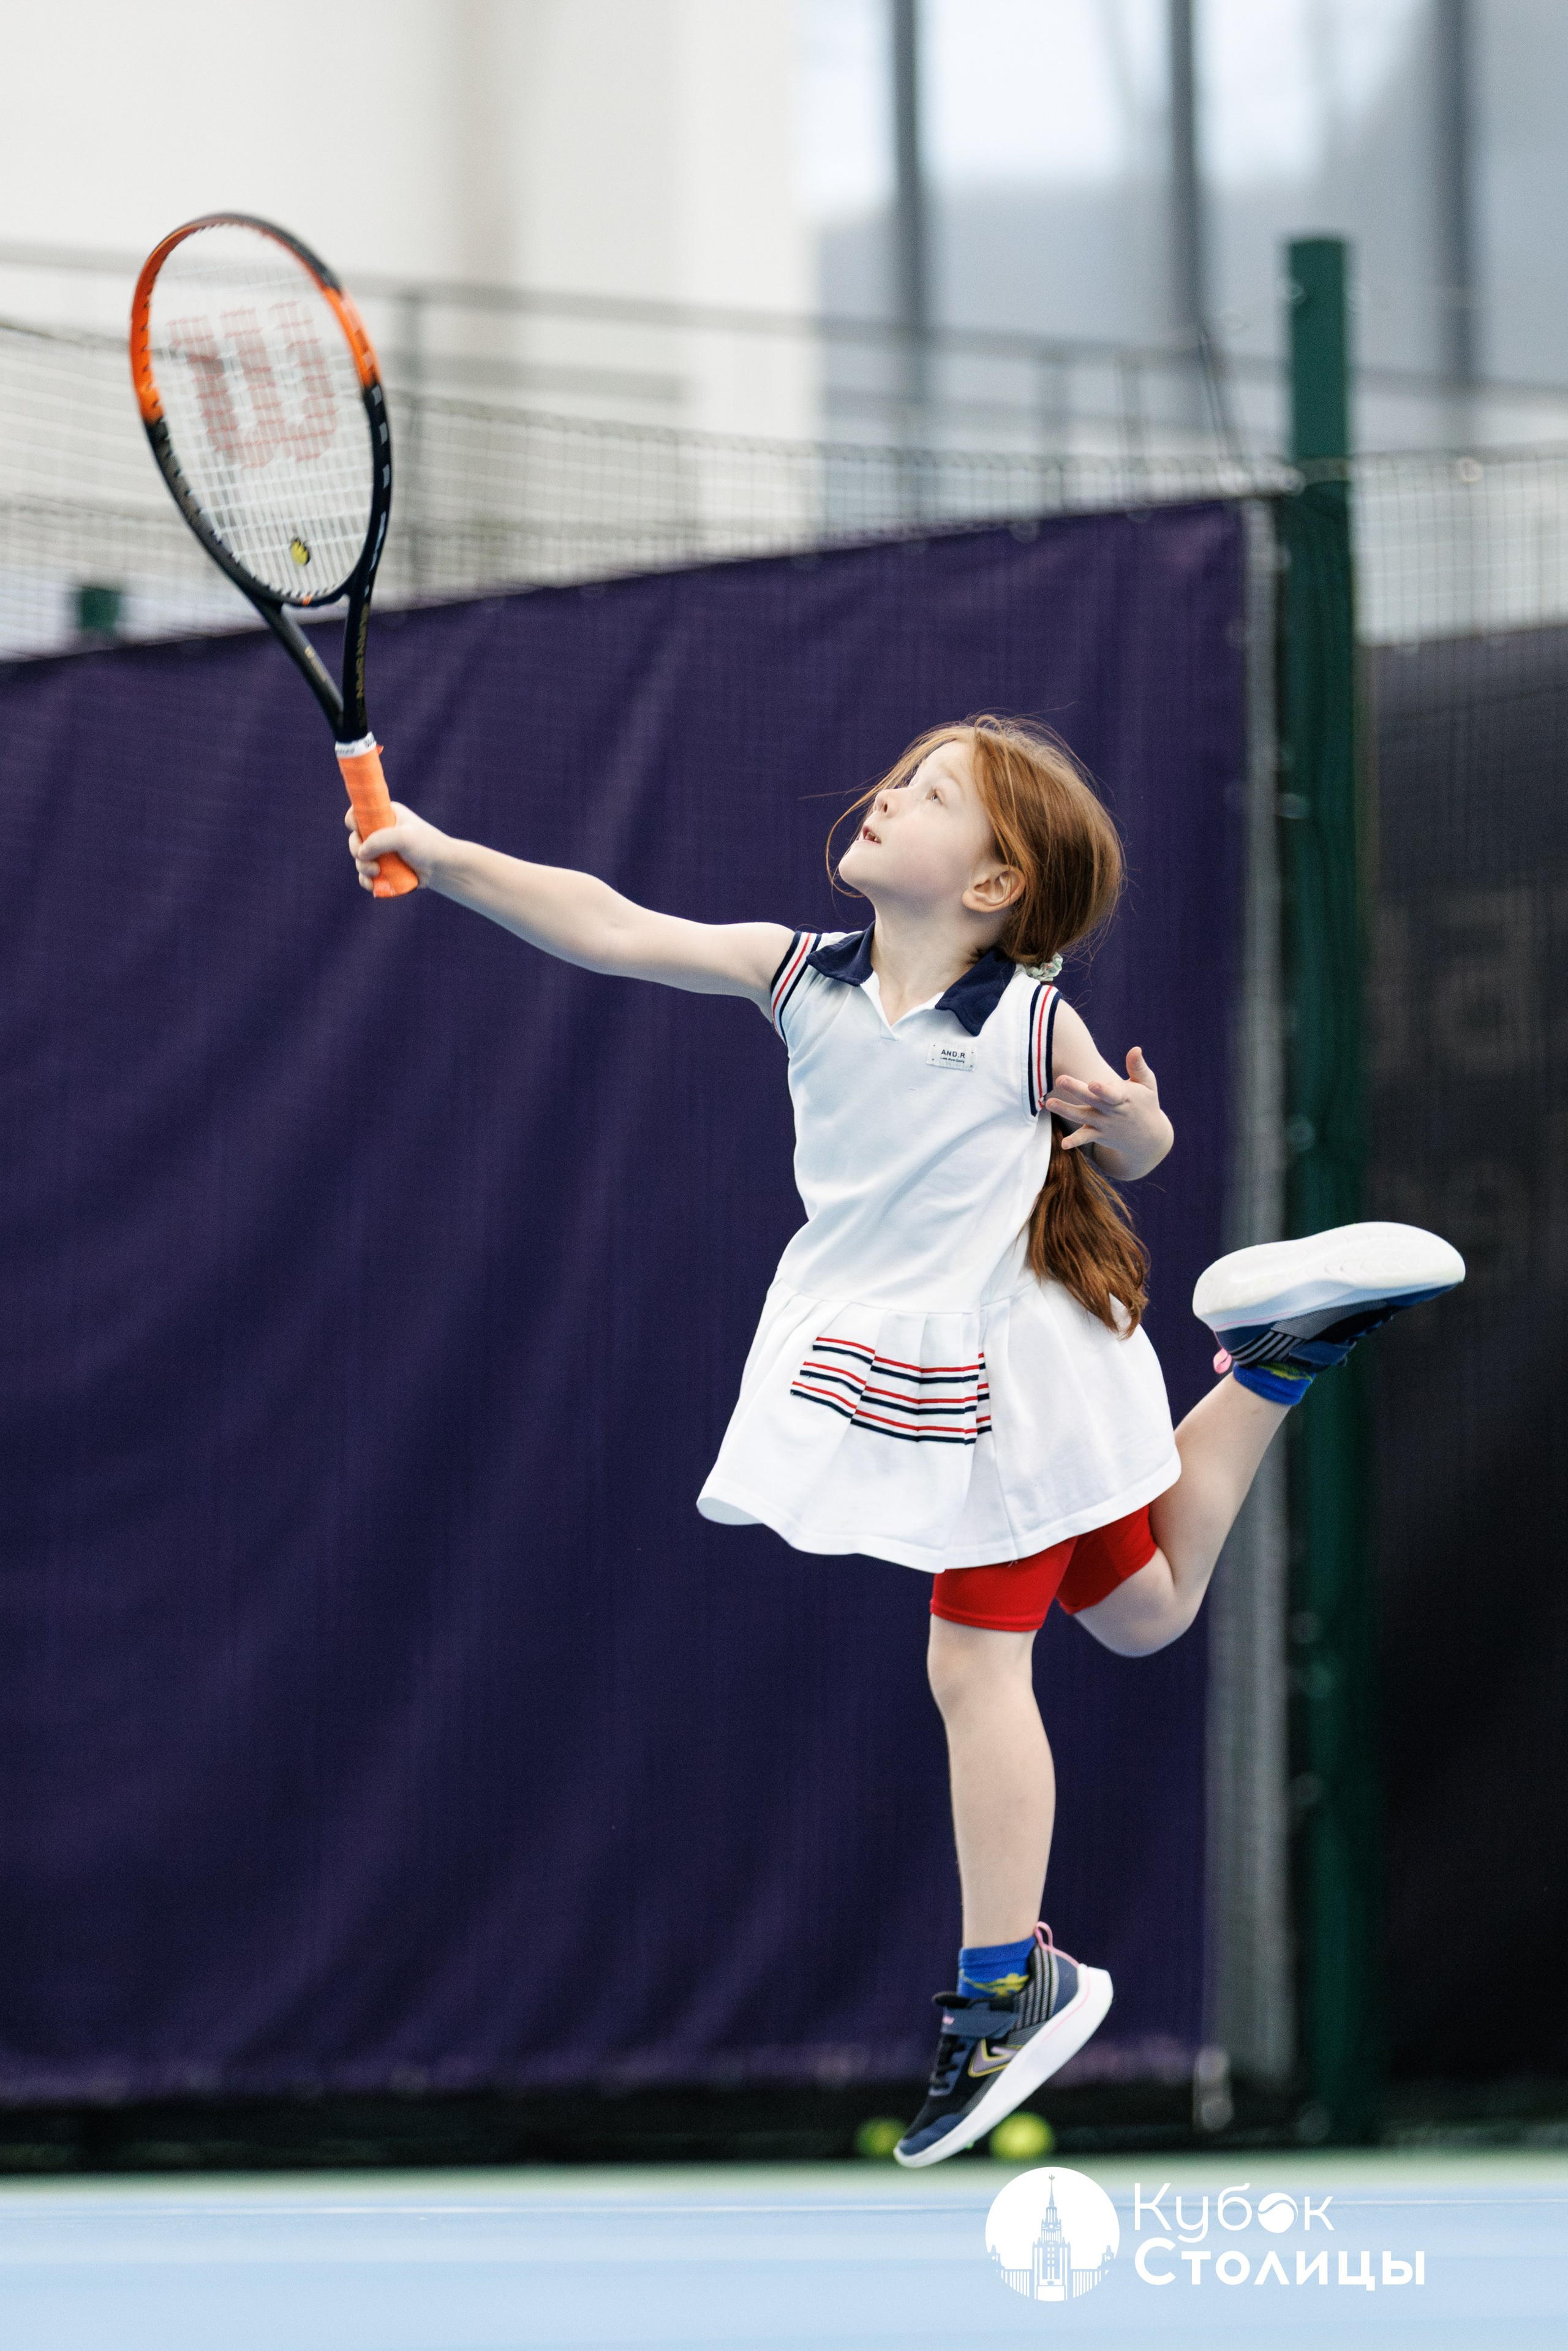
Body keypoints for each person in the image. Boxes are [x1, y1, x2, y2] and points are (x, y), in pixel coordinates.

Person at [347, 715, 1462, 2167]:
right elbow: (609, 921)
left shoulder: (1024, 1019)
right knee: (1139, 1610)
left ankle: (1006, 1988)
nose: (886, 794)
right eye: (898, 775)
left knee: (969, 1658)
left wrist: (1130, 1119)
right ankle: (1281, 1356)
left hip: (1007, 1361)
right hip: (936, 1353)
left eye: (932, 795)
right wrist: (435, 852)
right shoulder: (799, 972)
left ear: (994, 884)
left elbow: (1137, 1149)